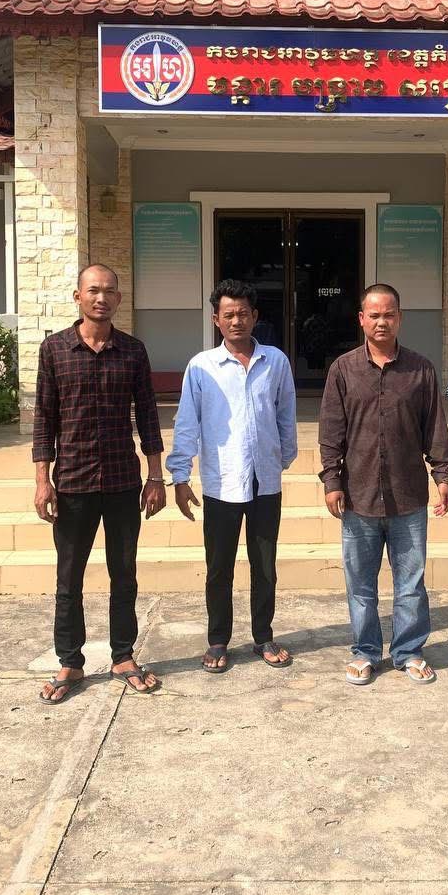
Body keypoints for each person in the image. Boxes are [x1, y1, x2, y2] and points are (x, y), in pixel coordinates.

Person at [33, 264, 166, 703]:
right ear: (78, 296)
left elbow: (148, 416)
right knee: (68, 578)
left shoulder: (133, 351)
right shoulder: (55, 350)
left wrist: (155, 476)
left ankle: (123, 656)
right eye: (93, 290)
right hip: (72, 483)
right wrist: (42, 481)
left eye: (109, 291)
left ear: (119, 299)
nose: (101, 298)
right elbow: (44, 421)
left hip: (123, 481)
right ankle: (70, 662)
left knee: (123, 573)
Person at [318, 284, 448, 686]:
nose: (382, 322)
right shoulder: (343, 369)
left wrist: (442, 475)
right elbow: (331, 431)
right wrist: (331, 479)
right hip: (358, 496)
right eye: (374, 315)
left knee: (410, 584)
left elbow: (434, 427)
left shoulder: (420, 370)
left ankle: (408, 651)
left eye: (389, 314)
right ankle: (365, 652)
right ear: (361, 319)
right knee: (360, 585)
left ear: (400, 318)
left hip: (407, 495)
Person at [166, 278, 297, 673]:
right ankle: (218, 639)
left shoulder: (275, 361)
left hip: (265, 482)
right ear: (216, 320)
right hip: (221, 482)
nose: (236, 321)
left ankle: (263, 636)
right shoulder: (202, 367)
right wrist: (180, 475)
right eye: (228, 315)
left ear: (255, 316)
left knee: (265, 566)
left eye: (243, 313)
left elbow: (285, 413)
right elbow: (187, 423)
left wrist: (281, 457)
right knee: (219, 567)